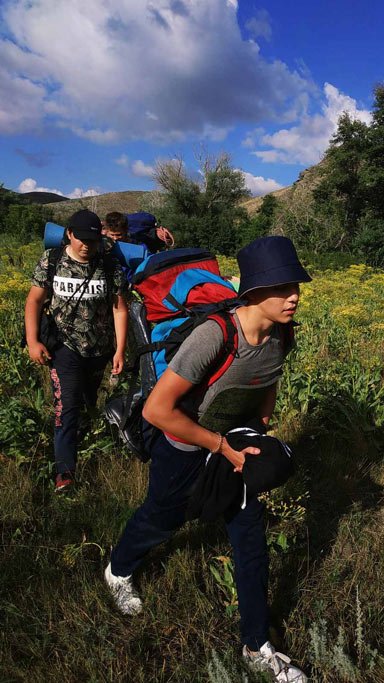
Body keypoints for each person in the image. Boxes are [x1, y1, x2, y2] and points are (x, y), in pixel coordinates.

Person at [104, 236, 311, 682]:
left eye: (296, 285)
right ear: (253, 292)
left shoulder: (282, 332)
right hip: (182, 444)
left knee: (250, 536)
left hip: (232, 442)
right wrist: (220, 446)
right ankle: (118, 570)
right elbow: (158, 411)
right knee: (162, 518)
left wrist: (259, 428)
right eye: (282, 287)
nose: (293, 295)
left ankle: (257, 646)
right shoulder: (215, 334)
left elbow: (269, 376)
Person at [25, 209, 129, 493]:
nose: (86, 245)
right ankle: (65, 473)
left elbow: (119, 308)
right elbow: (34, 301)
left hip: (99, 348)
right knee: (66, 405)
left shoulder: (109, 266)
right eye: (81, 239)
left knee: (86, 401)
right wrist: (33, 341)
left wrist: (120, 350)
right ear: (69, 234)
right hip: (63, 346)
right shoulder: (52, 260)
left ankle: (80, 437)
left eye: (92, 241)